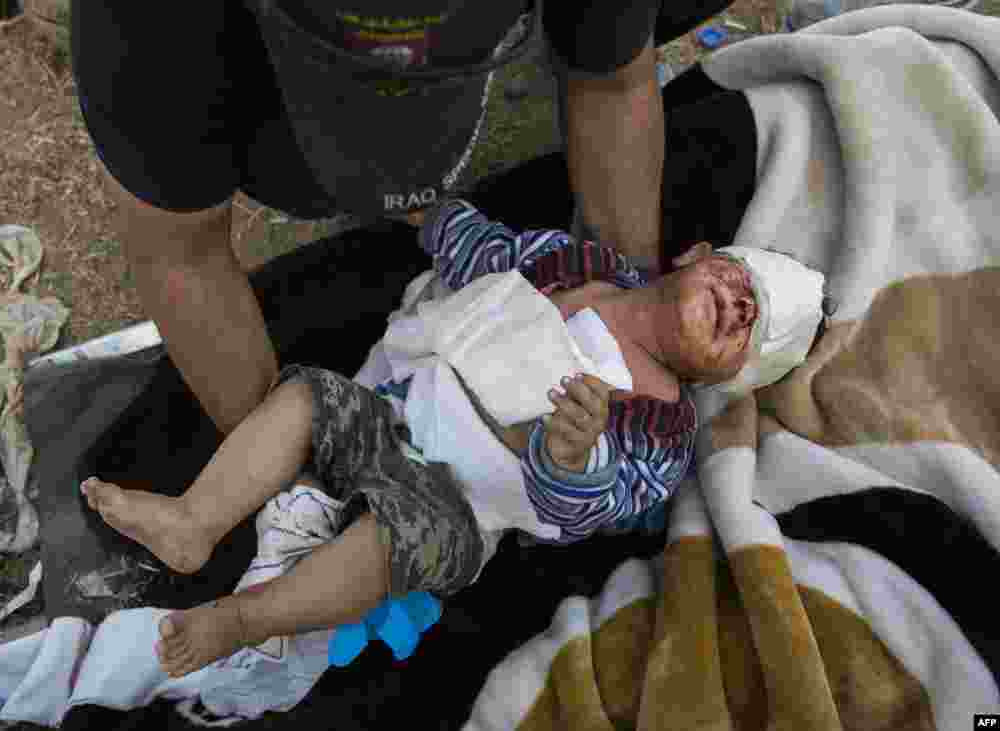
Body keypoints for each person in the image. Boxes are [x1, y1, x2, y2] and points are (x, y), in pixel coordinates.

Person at [77, 196, 829, 679]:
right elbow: (492, 258)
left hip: (457, 506)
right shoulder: (582, 266)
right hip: (390, 415)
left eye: (747, 327)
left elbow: (591, 508)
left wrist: (569, 457)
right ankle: (195, 521)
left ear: (728, 374)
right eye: (737, 283)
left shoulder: (662, 429)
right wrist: (439, 217)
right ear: (696, 256)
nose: (735, 305)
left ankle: (244, 617)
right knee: (306, 395)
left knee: (395, 541)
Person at [71, 0, 685, 438]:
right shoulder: (148, 27)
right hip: (267, 114)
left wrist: (632, 304)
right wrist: (290, 480)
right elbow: (181, 251)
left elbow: (612, 86)